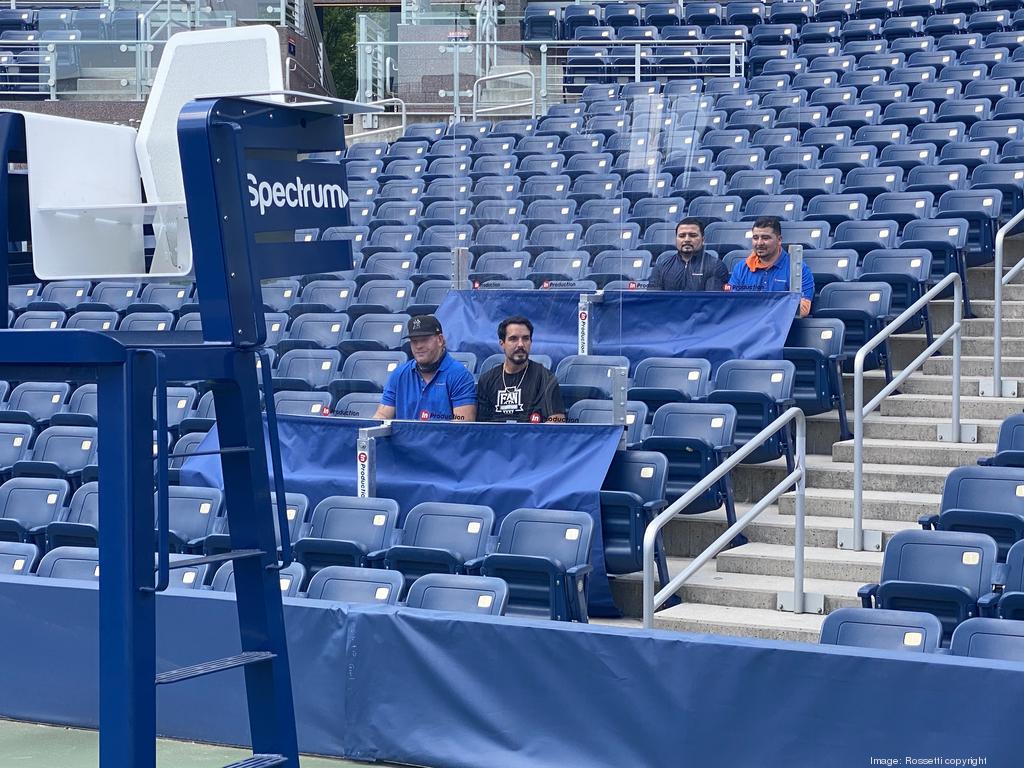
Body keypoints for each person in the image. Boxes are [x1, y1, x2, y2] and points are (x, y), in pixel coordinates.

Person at [374, 315, 477, 421]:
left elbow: (463, 422)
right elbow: (382, 416)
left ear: (440, 340)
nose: (418, 346)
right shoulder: (399, 374)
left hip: (444, 437)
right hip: (405, 437)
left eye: (424, 340)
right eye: (414, 341)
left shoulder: (460, 375)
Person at [476, 316, 566, 423]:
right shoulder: (487, 380)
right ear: (502, 344)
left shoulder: (545, 378)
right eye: (513, 339)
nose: (520, 344)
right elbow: (481, 426)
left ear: (531, 342)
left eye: (525, 338)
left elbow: (558, 419)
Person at [726, 215, 814, 317]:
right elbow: (731, 303)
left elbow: (803, 309)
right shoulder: (741, 268)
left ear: (779, 240)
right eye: (755, 238)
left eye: (765, 238)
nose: (759, 243)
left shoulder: (798, 269)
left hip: (782, 330)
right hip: (748, 328)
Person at [647, 217, 730, 291]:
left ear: (703, 240)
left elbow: (712, 302)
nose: (687, 239)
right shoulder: (661, 267)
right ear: (676, 239)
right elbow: (654, 301)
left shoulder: (715, 266)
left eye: (693, 235)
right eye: (682, 236)